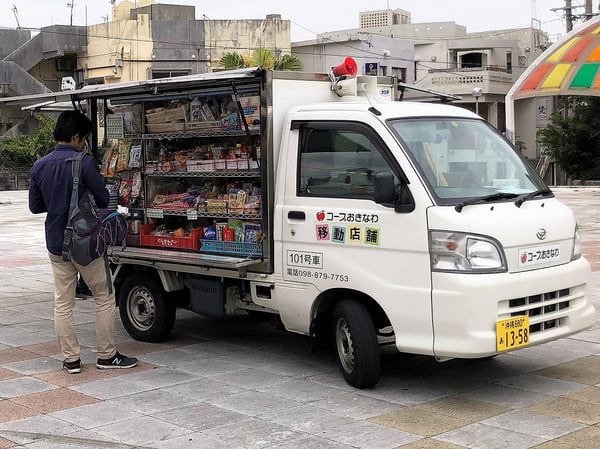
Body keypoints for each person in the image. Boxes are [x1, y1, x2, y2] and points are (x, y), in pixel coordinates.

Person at [29, 110, 137, 374]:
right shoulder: (84, 162)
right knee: (103, 296)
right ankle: (106, 355)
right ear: (76, 137)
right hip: (86, 242)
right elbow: (102, 199)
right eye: (84, 138)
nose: (85, 143)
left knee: (63, 303)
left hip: (56, 242)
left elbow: (35, 206)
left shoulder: (39, 165)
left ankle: (71, 360)